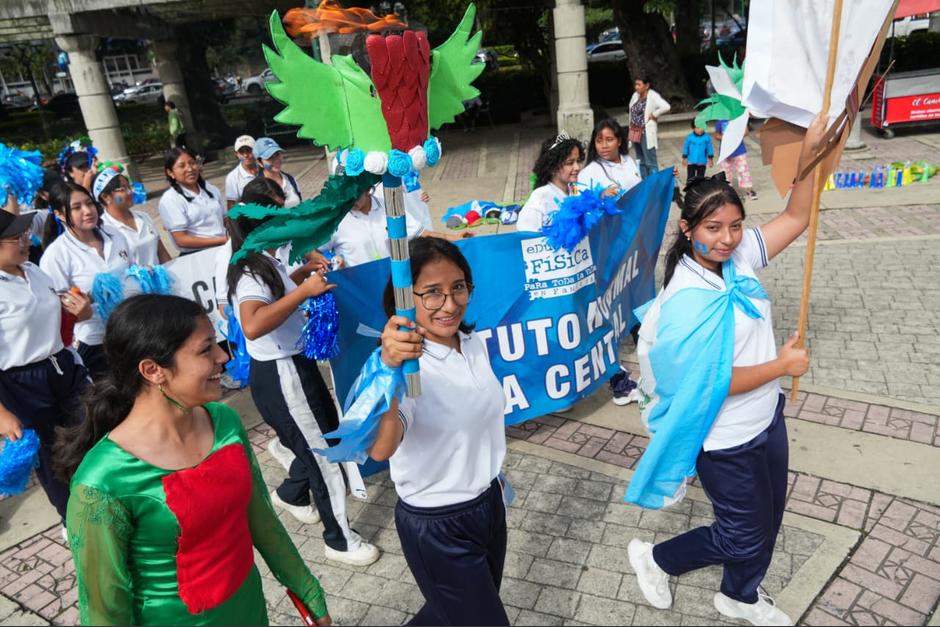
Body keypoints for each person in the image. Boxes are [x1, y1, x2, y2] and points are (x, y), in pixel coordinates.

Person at [627, 116, 825, 627]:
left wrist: (813, 154)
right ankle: (656, 559)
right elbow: (709, 384)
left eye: (735, 226)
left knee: (769, 519)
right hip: (724, 437)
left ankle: (740, 593)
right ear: (688, 230)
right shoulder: (685, 302)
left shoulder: (736, 261)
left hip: (767, 419)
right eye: (713, 228)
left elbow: (799, 215)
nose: (728, 238)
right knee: (742, 531)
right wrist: (782, 364)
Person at [56, 294, 333, 626]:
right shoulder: (102, 481)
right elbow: (104, 609)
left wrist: (308, 594)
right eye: (206, 350)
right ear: (152, 370)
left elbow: (262, 520)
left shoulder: (224, 424)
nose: (223, 357)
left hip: (249, 611)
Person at [227, 204, 380, 567]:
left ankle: (293, 494)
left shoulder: (266, 258)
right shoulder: (249, 271)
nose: (288, 224)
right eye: (279, 219)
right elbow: (252, 324)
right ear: (262, 229)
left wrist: (300, 276)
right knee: (324, 456)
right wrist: (303, 292)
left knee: (321, 439)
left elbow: (277, 295)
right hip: (283, 373)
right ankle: (339, 540)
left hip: (294, 365)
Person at [369, 237, 509, 626]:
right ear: (405, 297)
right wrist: (389, 372)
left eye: (458, 287)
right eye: (431, 293)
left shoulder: (472, 342)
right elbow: (381, 449)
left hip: (488, 505)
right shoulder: (408, 368)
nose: (450, 304)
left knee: (452, 612)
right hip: (438, 526)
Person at [0, 210, 91, 529]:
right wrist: (2, 413)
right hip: (20, 382)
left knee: (90, 429)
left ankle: (105, 495)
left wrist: (82, 312)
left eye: (25, 234)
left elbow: (58, 320)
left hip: (61, 366)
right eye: (16, 238)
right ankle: (73, 520)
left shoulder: (34, 271)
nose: (26, 241)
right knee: (52, 456)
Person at [40, 182, 135, 378]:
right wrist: (88, 300)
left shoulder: (115, 235)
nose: (87, 211)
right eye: (76, 207)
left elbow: (132, 272)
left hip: (133, 331)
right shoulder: (56, 255)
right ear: (59, 214)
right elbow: (55, 307)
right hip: (96, 342)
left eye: (89, 203)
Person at [319, 184, 426, 268]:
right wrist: (332, 260)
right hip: (357, 287)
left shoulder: (390, 206)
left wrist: (442, 240)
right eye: (345, 197)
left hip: (393, 281)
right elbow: (314, 252)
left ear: (368, 189)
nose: (350, 201)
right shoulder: (335, 219)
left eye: (355, 195)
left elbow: (420, 233)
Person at [94, 166, 171, 266]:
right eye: (123, 189)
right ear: (106, 197)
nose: (130, 192)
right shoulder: (103, 229)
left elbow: (161, 252)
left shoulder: (143, 217)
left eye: (129, 187)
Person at [158, 147, 227, 255]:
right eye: (182, 166)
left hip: (224, 248)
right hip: (197, 255)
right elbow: (181, 240)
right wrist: (223, 240)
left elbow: (225, 219)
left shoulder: (210, 189)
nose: (190, 169)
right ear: (170, 172)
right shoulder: (170, 199)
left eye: (192, 163)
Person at [515, 133, 583, 232]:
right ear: (552, 167)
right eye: (570, 163)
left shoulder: (577, 189)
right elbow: (526, 239)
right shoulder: (539, 200)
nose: (577, 167)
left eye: (578, 161)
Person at [578, 117, 642, 197]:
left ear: (619, 141)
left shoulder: (628, 160)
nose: (604, 146)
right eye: (599, 141)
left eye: (609, 140)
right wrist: (601, 196)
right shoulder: (588, 172)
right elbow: (580, 203)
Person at [628, 77, 671, 179]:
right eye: (636, 85)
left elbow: (666, 106)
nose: (636, 87)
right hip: (635, 131)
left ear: (646, 86)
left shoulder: (653, 96)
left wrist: (655, 114)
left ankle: (654, 181)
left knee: (650, 160)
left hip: (646, 131)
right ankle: (645, 181)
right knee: (640, 160)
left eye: (639, 84)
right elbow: (631, 112)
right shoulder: (635, 95)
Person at [715, 119, 758, 200]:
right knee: (725, 172)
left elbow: (746, 132)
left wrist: (737, 134)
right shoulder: (720, 121)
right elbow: (717, 135)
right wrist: (724, 137)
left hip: (739, 150)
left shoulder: (739, 118)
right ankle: (727, 191)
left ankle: (749, 190)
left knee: (743, 171)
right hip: (725, 151)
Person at [254, 137, 302, 209]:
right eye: (269, 157)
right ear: (260, 162)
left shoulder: (290, 180)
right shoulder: (256, 188)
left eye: (277, 154)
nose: (276, 160)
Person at [225, 135, 259, 210]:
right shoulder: (232, 177)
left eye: (249, 150)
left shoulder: (264, 169)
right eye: (241, 152)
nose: (246, 155)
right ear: (237, 154)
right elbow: (231, 206)